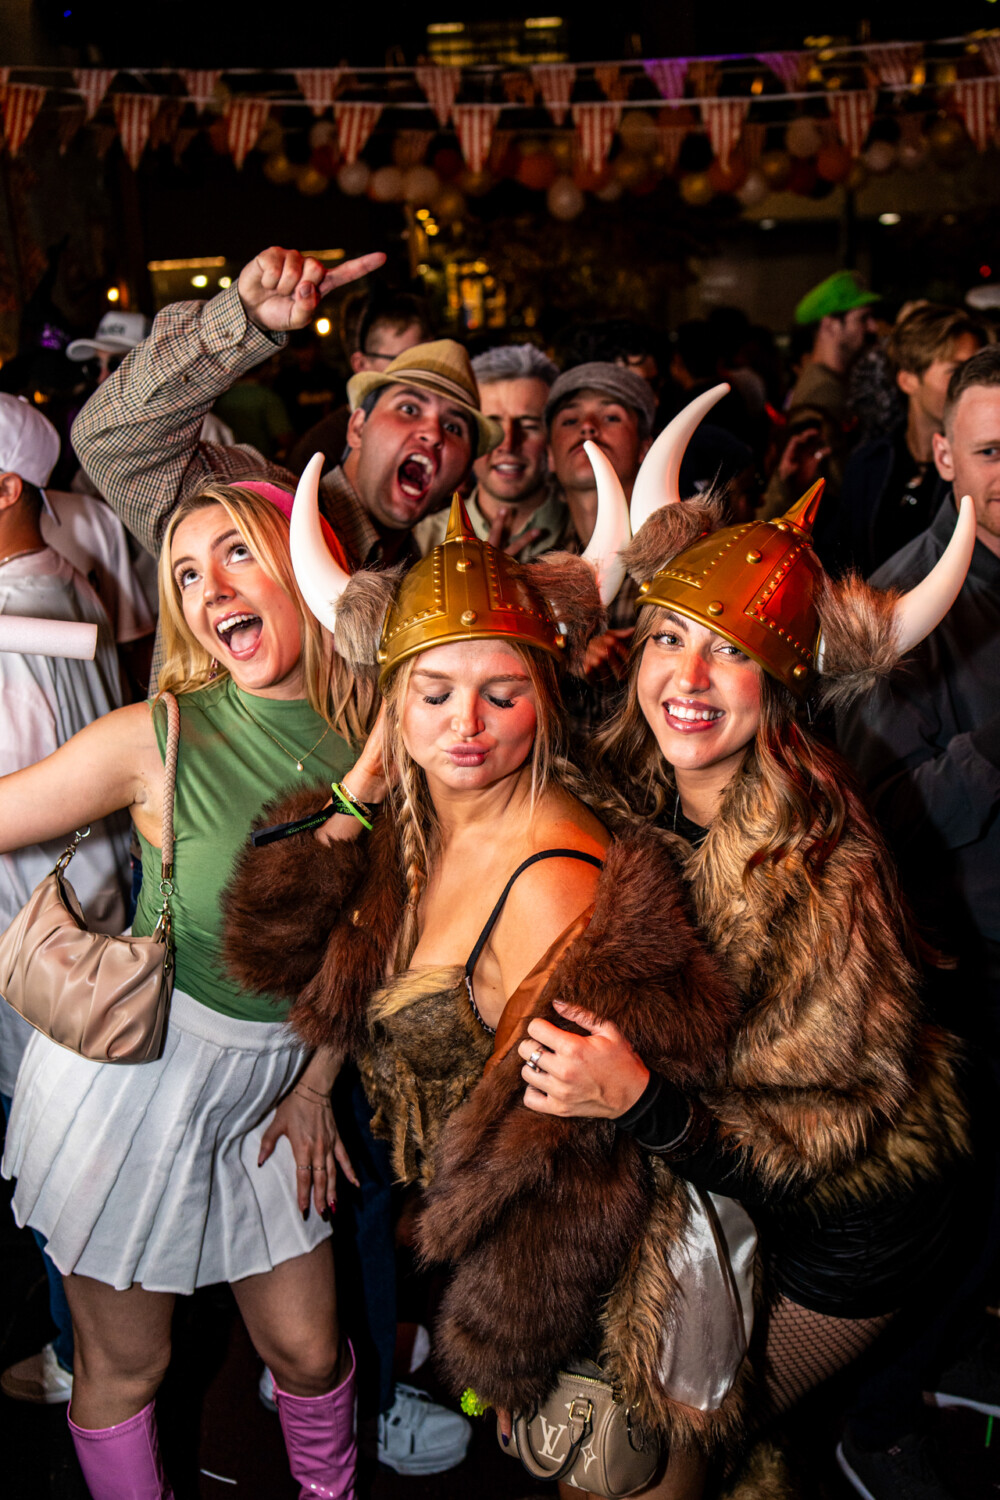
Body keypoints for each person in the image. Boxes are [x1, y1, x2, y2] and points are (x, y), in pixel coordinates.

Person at [222, 466, 755, 1500]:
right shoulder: (421, 820)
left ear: (543, 702)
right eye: (433, 693)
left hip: (603, 1278)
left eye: (501, 693)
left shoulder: (554, 876)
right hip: (507, 1248)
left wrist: (507, 1344)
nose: (464, 724)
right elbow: (282, 953)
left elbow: (568, 1166)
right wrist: (367, 779)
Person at [507, 388, 974, 1500]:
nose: (689, 678)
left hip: (844, 1229)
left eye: (731, 654)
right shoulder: (627, 783)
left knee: (674, 1451)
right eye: (671, 637)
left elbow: (817, 1140)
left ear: (786, 685)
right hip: (703, 1193)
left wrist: (635, 1102)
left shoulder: (824, 866)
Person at [0, 479, 369, 1499]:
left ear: (309, 563)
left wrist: (311, 1085)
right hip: (138, 1092)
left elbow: (366, 941)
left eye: (238, 555)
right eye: (188, 575)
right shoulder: (159, 734)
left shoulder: (386, 733)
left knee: (306, 1351)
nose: (213, 591)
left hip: (270, 1091)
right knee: (131, 1366)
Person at [834, 348, 1000, 1498]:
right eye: (991, 450)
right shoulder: (902, 604)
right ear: (942, 457)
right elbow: (882, 818)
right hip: (965, 973)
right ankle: (872, 1419)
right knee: (945, 1220)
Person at [71, 246, 499, 591]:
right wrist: (241, 321)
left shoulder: (424, 588)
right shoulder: (261, 509)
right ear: (356, 426)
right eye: (409, 408)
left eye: (455, 427)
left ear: (459, 479)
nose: (432, 433)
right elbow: (110, 438)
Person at [0, 392, 131, 1411]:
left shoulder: (17, 645)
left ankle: (86, 1359)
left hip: (43, 963)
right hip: (83, 942)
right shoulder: (67, 584)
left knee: (61, 1182)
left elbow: (38, 828)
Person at [834, 304, 985, 577]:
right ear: (908, 380)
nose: (971, 385)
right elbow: (843, 563)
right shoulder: (867, 464)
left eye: (975, 372)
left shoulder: (983, 466)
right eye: (956, 372)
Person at [545, 361, 655, 717]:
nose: (588, 427)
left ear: (644, 448)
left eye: (611, 417)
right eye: (570, 421)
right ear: (549, 455)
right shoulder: (535, 573)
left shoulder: (678, 563)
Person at [414, 342, 564, 560]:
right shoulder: (419, 542)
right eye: (492, 427)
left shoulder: (591, 530)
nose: (508, 444)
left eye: (529, 426)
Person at [289, 285, 434, 477]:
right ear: (361, 364)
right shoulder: (318, 456)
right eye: (405, 361)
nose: (425, 373)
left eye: (429, 360)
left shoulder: (436, 432)